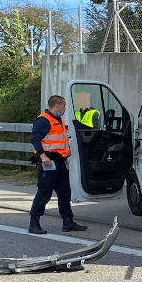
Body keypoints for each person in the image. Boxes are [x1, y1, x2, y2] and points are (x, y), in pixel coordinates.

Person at [28, 95, 87, 235]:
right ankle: (34, 223)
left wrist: (67, 151)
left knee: (65, 192)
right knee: (44, 193)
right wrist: (42, 157)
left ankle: (68, 222)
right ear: (57, 106)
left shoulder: (58, 119)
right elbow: (35, 140)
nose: (65, 108)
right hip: (49, 162)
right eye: (64, 105)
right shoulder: (43, 120)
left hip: (60, 162)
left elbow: (60, 139)